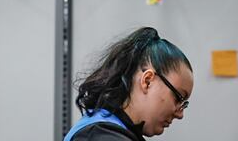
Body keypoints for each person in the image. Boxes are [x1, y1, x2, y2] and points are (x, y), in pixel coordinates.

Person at [63, 27, 193, 141]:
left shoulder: (107, 130)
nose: (180, 114)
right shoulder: (100, 136)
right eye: (178, 98)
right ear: (147, 81)